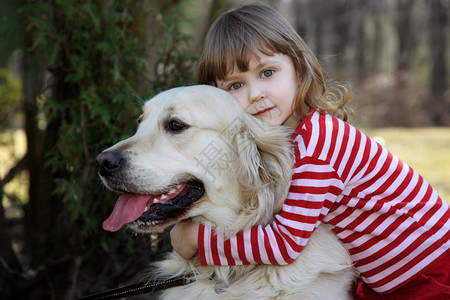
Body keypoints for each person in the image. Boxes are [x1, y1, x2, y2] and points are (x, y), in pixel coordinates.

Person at [170, 4, 450, 299]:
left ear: (299, 70)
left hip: (430, 271)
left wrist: (200, 241)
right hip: (398, 277)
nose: (255, 94)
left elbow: (285, 243)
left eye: (267, 72)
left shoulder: (316, 147)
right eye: (235, 84)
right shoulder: (294, 137)